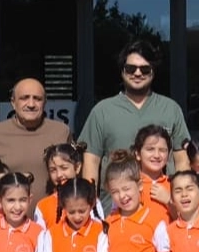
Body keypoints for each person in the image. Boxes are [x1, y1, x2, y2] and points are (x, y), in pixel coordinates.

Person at [79, 39, 190, 197]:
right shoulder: (102, 111)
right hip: (115, 204)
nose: (137, 73)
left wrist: (178, 199)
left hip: (162, 203)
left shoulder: (171, 109)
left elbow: (182, 160)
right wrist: (91, 203)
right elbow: (91, 162)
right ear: (122, 71)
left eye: (144, 69)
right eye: (131, 68)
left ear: (153, 72)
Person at [0, 78, 72, 205]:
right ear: (13, 102)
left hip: (55, 214)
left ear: (45, 102)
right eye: (24, 98)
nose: (31, 104)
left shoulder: (61, 132)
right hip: (8, 215)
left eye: (37, 99)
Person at [134, 124, 174, 214]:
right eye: (150, 149)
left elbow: (187, 219)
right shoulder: (130, 184)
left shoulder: (174, 185)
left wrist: (168, 201)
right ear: (138, 154)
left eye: (162, 150)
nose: (156, 155)